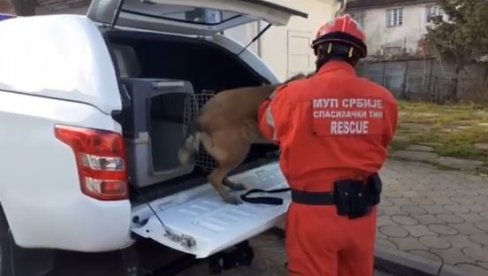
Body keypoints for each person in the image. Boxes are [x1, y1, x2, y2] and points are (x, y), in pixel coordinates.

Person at [257, 14, 398, 276]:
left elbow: (268, 129)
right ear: (357, 57)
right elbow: (384, 138)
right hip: (362, 216)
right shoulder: (384, 99)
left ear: (319, 53)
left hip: (313, 216)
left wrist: (274, 96)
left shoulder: (291, 95)